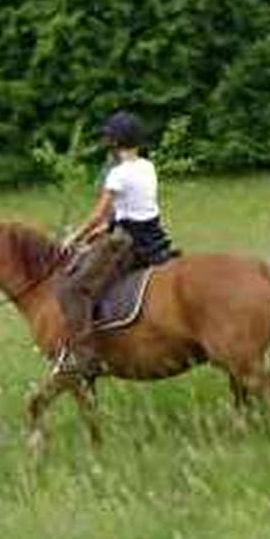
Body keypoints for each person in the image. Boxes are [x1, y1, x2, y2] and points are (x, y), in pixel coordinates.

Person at [54, 111, 177, 376]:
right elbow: (127, 211)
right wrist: (96, 233)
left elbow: (99, 214)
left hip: (127, 242)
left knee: (72, 290)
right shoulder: (148, 166)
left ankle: (83, 358)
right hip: (154, 237)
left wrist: (73, 237)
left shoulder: (118, 174)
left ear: (113, 142)